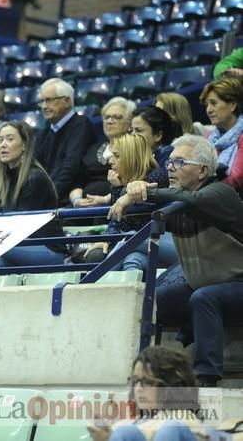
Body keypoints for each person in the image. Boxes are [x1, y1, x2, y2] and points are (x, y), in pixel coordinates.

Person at [110, 135, 243, 387]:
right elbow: (132, 223)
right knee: (150, 300)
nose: (170, 167)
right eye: (169, 162)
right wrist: (126, 192)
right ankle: (145, 374)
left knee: (204, 298)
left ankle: (205, 381)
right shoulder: (178, 202)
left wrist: (144, 191)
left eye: (180, 162)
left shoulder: (220, 193)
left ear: (203, 170)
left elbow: (194, 201)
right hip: (203, 284)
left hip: (236, 284)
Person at [87, 346, 207, 441]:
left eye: (148, 382)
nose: (138, 388)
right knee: (125, 431)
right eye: (135, 381)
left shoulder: (183, 417)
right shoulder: (126, 424)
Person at [0, 121, 66, 266]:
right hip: (19, 247)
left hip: (48, 250)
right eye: (0, 140)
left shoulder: (34, 177)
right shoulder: (7, 180)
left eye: (10, 139)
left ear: (24, 145)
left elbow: (21, 228)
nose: (3, 145)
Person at [84, 133, 168, 263]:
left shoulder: (157, 177)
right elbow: (116, 219)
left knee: (130, 256)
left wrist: (119, 189)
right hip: (131, 242)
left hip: (158, 243)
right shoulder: (121, 181)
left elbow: (136, 220)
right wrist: (106, 238)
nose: (110, 161)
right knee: (96, 254)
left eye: (117, 156)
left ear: (132, 158)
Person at [35, 78, 95, 203]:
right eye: (42, 101)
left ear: (67, 101)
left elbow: (70, 168)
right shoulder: (44, 133)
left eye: (49, 100)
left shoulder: (81, 124)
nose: (44, 106)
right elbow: (36, 169)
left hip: (69, 197)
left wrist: (49, 198)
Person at [70, 97, 136, 207]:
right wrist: (76, 200)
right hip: (83, 204)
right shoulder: (93, 148)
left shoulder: (134, 149)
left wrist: (104, 200)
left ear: (130, 124)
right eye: (107, 117)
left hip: (114, 203)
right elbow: (78, 182)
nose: (110, 121)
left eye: (117, 117)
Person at [200, 77, 243, 193]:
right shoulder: (208, 137)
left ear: (233, 105)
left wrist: (202, 193)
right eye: (206, 105)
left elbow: (237, 178)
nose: (208, 110)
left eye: (214, 103)